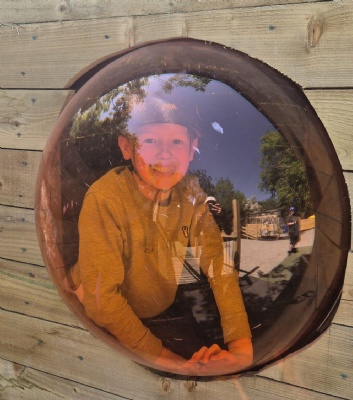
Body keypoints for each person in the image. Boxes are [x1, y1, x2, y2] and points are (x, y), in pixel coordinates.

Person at [66, 88, 252, 376]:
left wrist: (240, 345)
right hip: (93, 309)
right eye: (150, 140)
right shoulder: (106, 198)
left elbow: (218, 263)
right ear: (127, 147)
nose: (165, 153)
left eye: (177, 141)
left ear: (192, 149)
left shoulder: (190, 194)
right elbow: (102, 301)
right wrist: (168, 359)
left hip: (156, 306)